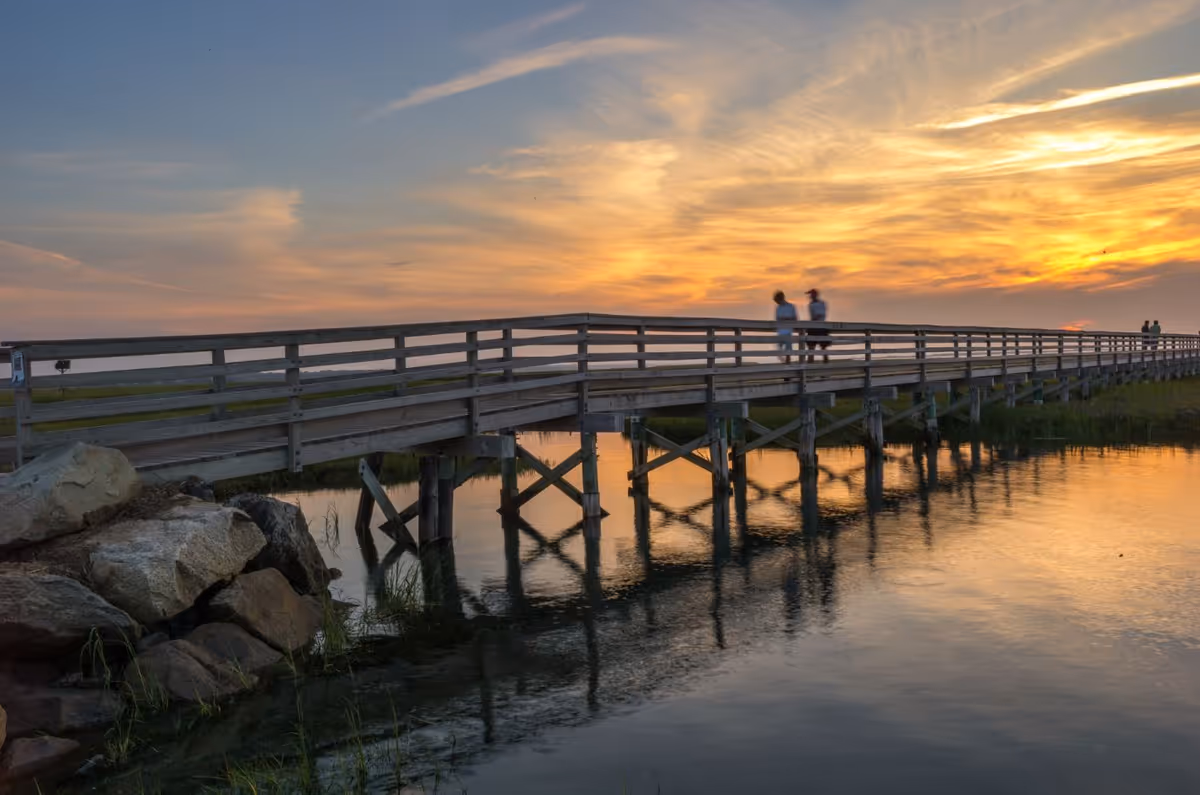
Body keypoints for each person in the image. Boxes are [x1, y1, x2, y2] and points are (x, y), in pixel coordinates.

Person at [806, 288, 831, 363]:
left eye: (811, 294)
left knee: (823, 346)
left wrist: (815, 318)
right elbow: (814, 316)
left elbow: (821, 315)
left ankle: (825, 362)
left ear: (815, 295)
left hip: (820, 326)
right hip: (814, 326)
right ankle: (810, 361)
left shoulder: (821, 303)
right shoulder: (811, 304)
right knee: (811, 346)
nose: (810, 296)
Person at [773, 290, 797, 364]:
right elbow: (777, 319)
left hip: (788, 331)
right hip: (780, 331)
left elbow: (795, 318)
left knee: (788, 350)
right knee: (778, 350)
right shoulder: (778, 308)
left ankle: (787, 363)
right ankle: (784, 363)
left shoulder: (791, 306)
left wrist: (787, 319)